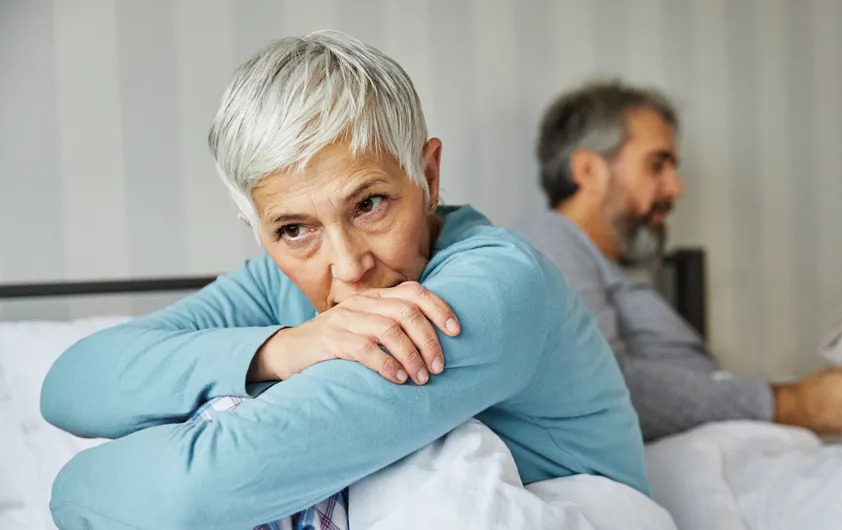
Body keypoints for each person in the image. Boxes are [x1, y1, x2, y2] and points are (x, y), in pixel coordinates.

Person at [40, 34, 649, 529]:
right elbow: (71, 385)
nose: (348, 265)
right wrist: (282, 348)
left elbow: (186, 496)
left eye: (370, 204)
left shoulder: (490, 291)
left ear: (428, 177)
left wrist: (74, 484)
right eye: (294, 230)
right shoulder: (275, 290)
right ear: (260, 233)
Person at [513, 81, 842, 442]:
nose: (675, 188)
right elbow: (601, 385)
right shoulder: (548, 239)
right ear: (588, 170)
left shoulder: (606, 268)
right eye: (657, 164)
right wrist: (796, 404)